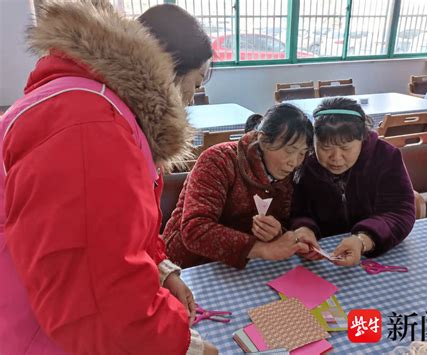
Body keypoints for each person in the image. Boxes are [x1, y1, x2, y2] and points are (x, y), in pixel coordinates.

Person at [0, 1, 217, 354]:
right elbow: (94, 299)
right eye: (195, 83)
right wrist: (186, 347)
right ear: (168, 72)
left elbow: (107, 235)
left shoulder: (93, 103)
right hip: (42, 333)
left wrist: (163, 271)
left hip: (45, 317)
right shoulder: (89, 125)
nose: (191, 99)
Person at [163, 103, 319, 269]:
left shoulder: (289, 175)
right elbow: (195, 229)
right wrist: (262, 249)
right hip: (188, 265)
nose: (294, 162)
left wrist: (278, 232)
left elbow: (286, 219)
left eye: (302, 153)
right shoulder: (219, 160)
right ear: (264, 140)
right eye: (289, 150)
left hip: (246, 266)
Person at [291, 97, 415, 266]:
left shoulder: (385, 157)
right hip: (322, 256)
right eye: (325, 147)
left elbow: (400, 211)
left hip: (376, 254)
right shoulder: (304, 161)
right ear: (313, 141)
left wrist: (363, 240)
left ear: (362, 139)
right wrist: (303, 228)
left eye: (346, 148)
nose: (335, 158)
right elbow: (295, 210)